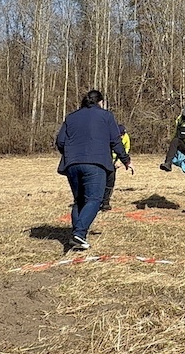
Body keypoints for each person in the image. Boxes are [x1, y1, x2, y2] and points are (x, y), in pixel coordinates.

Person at [56, 89, 133, 250]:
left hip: (72, 164)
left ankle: (77, 235)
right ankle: (79, 234)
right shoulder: (106, 116)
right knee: (94, 199)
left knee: (79, 200)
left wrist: (71, 154)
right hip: (96, 163)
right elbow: (115, 141)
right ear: (100, 102)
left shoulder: (71, 117)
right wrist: (126, 160)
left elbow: (60, 141)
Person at [99, 123, 131, 212]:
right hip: (104, 159)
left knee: (111, 180)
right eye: (120, 134)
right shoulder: (108, 136)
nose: (122, 136)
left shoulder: (126, 137)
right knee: (101, 180)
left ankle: (105, 202)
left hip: (116, 159)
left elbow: (125, 149)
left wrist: (120, 160)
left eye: (123, 134)